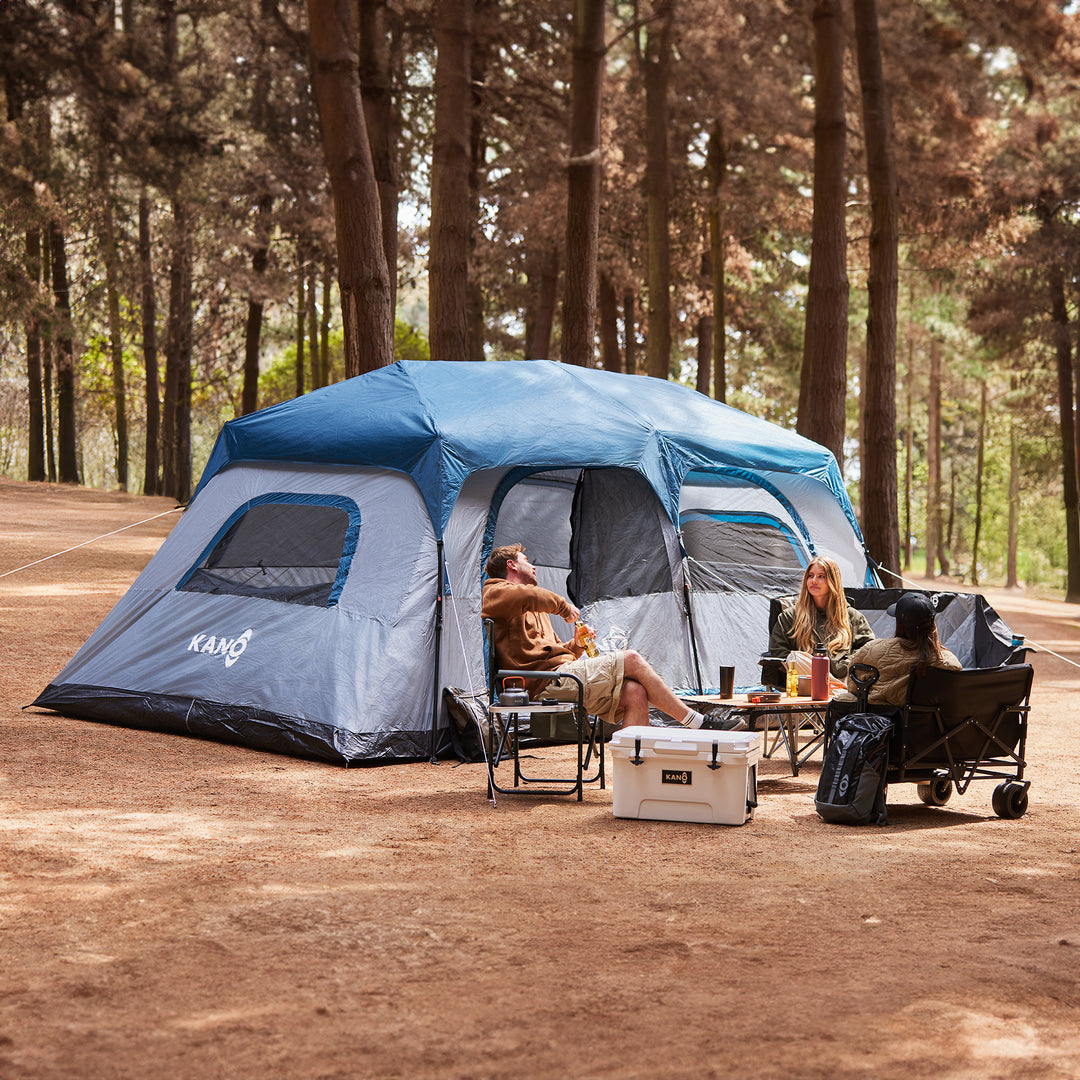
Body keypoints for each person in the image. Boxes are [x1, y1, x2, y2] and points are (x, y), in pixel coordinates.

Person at [482, 543, 744, 731]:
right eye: (527, 561)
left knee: (635, 691)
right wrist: (564, 607)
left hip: (560, 675)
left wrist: (575, 645)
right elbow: (529, 598)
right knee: (631, 659)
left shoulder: (531, 602)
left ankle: (632, 777)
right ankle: (697, 722)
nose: (534, 566)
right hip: (544, 684)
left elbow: (553, 652)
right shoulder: (495, 592)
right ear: (512, 565)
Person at [835, 591, 961, 707]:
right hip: (929, 728)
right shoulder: (949, 662)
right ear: (932, 623)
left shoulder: (872, 650)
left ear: (899, 623)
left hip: (882, 725)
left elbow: (852, 686)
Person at [767, 556, 874, 680]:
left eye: (821, 576)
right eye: (810, 576)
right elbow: (778, 652)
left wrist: (844, 665)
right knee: (797, 659)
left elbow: (868, 649)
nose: (814, 581)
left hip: (844, 681)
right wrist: (810, 666)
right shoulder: (789, 617)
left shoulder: (853, 617)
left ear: (833, 581)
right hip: (803, 680)